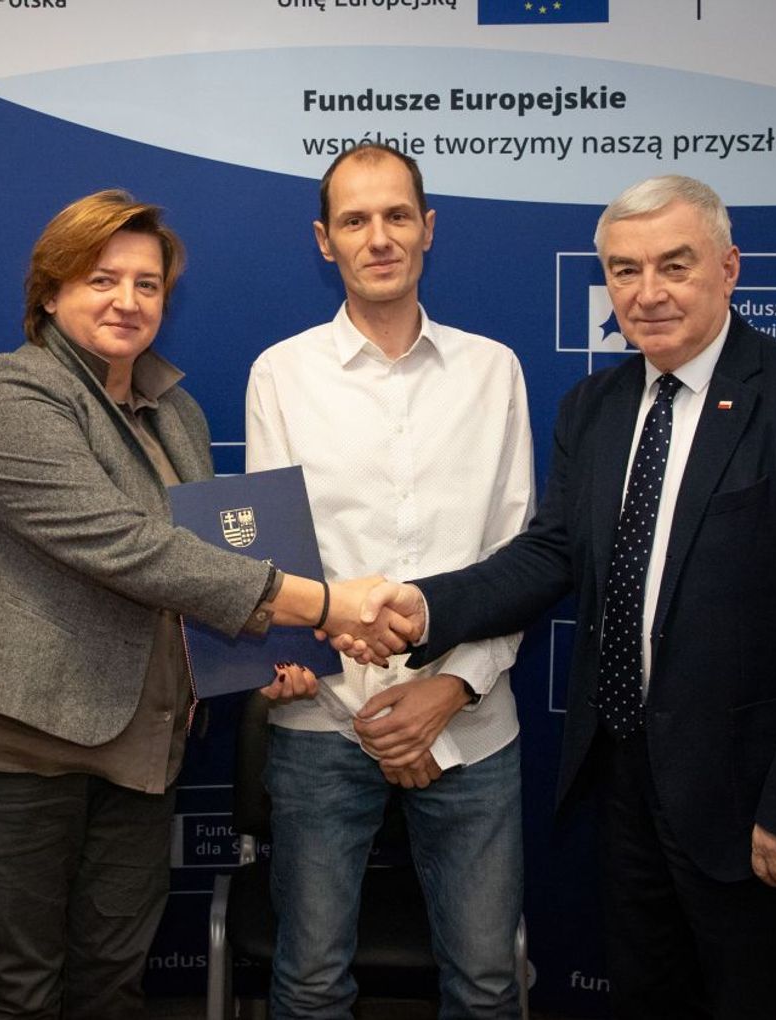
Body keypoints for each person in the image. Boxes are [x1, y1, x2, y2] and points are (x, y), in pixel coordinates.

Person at [348, 175, 776, 1018]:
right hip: (627, 782)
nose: (648, 293)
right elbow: (550, 555)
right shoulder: (594, 406)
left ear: (728, 268)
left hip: (753, 800)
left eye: (674, 265)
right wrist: (425, 607)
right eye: (625, 271)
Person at [0, 189, 416, 1020]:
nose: (128, 300)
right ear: (50, 292)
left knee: (113, 983)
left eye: (147, 284)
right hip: (10, 746)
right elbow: (128, 548)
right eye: (101, 279)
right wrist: (323, 607)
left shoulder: (175, 411)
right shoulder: (12, 393)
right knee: (22, 989)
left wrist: (268, 660)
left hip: (138, 747)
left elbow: (210, 561)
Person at [245, 143, 533, 1019]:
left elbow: (517, 557)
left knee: (487, 983)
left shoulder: (494, 370)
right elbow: (275, 566)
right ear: (324, 240)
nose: (379, 238)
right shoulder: (281, 374)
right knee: (309, 983)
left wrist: (448, 688)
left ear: (428, 228)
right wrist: (372, 710)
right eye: (355, 220)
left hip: (469, 717)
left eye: (397, 216)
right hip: (322, 723)